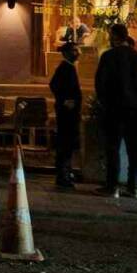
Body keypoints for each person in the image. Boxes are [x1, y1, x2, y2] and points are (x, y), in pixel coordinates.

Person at [94, 23, 137, 199]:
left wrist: (104, 102)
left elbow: (100, 83)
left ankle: (112, 186)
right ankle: (133, 187)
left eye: (110, 35)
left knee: (113, 148)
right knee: (134, 150)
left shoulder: (108, 57)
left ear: (114, 36)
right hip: (134, 111)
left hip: (114, 110)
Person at [48, 41, 82, 190]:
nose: (78, 53)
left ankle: (66, 172)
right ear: (67, 53)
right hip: (66, 113)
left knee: (68, 143)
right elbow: (54, 85)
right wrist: (65, 100)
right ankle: (63, 174)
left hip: (70, 112)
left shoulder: (69, 67)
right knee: (65, 143)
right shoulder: (65, 67)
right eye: (75, 50)